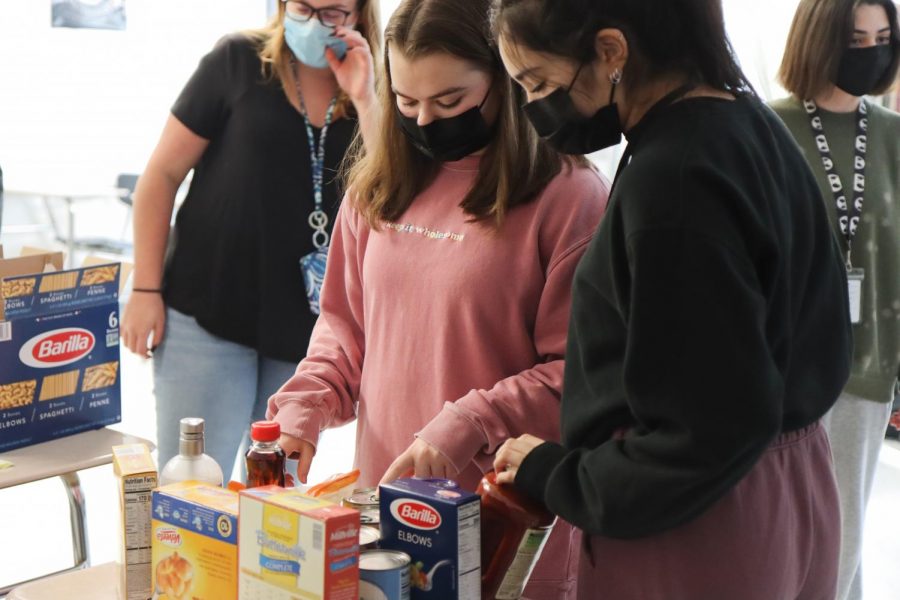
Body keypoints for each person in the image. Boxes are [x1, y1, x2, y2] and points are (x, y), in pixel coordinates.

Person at [491, 1, 853, 598]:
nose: (535, 108)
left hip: (698, 518)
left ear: (611, 51)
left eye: (538, 83)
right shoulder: (747, 123)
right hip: (786, 490)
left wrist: (561, 475)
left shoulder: (675, 181)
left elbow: (708, 430)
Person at [267, 0, 609, 596]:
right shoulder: (378, 188)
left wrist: (468, 423)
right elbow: (345, 332)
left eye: (450, 102)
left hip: (502, 518)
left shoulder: (570, 198)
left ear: (503, 81)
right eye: (405, 102)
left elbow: (580, 375)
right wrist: (304, 410)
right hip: (386, 520)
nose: (425, 121)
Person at [121, 0, 382, 480]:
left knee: (278, 494)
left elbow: (392, 191)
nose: (314, 22)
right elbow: (160, 176)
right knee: (198, 484)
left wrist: (366, 98)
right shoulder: (238, 60)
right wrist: (145, 289)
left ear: (362, 14)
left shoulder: (378, 87)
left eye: (334, 13)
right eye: (303, 7)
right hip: (210, 310)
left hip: (304, 329)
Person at [770, 2, 900, 598]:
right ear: (819, 39)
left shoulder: (894, 134)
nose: (869, 52)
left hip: (866, 364)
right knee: (782, 537)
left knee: (842, 541)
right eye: (855, 38)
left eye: (882, 38)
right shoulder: (769, 127)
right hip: (783, 368)